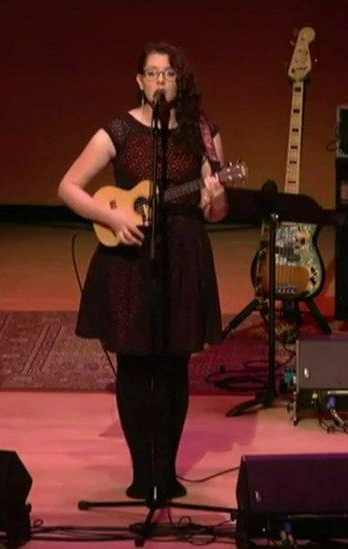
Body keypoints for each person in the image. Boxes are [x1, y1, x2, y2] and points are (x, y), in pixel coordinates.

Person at [57, 41, 228, 500]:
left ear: (180, 80)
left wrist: (214, 197)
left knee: (174, 363)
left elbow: (217, 211)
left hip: (184, 254)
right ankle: (140, 475)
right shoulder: (117, 130)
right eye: (152, 74)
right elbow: (68, 186)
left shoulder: (203, 132)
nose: (160, 81)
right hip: (129, 258)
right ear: (139, 81)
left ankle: (167, 474)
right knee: (134, 362)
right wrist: (111, 217)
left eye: (168, 74)